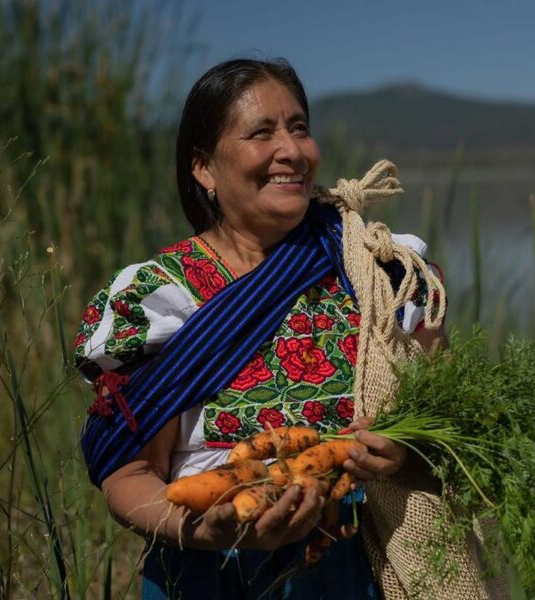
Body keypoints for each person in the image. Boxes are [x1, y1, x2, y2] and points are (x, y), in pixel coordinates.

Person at [74, 58, 446, 600]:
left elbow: (449, 420)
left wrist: (406, 447)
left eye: (299, 127)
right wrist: (203, 530)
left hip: (359, 567)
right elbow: (128, 476)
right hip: (211, 573)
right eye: (261, 133)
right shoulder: (160, 299)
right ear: (204, 168)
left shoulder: (379, 273)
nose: (291, 150)